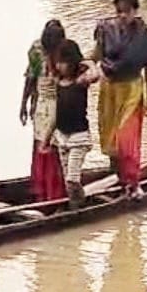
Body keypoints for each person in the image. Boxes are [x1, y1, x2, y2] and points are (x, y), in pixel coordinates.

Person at [88, 0, 147, 201]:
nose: (122, 16)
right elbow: (96, 55)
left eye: (126, 12)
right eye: (118, 11)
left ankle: (134, 183)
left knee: (127, 140)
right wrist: (84, 65)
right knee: (111, 141)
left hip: (132, 90)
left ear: (135, 11)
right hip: (110, 90)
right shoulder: (106, 29)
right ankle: (120, 179)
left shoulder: (144, 33)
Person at [20, 20, 67, 203]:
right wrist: (24, 104)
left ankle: (54, 193)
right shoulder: (37, 51)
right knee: (43, 146)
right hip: (41, 105)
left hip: (57, 104)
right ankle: (44, 192)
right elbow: (31, 78)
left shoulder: (65, 53)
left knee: (54, 147)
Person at [52, 40, 99, 208]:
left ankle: (80, 205)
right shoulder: (58, 82)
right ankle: (75, 206)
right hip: (62, 136)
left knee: (72, 178)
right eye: (58, 62)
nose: (60, 66)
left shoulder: (80, 82)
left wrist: (90, 63)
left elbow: (95, 76)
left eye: (63, 62)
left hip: (79, 137)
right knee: (67, 179)